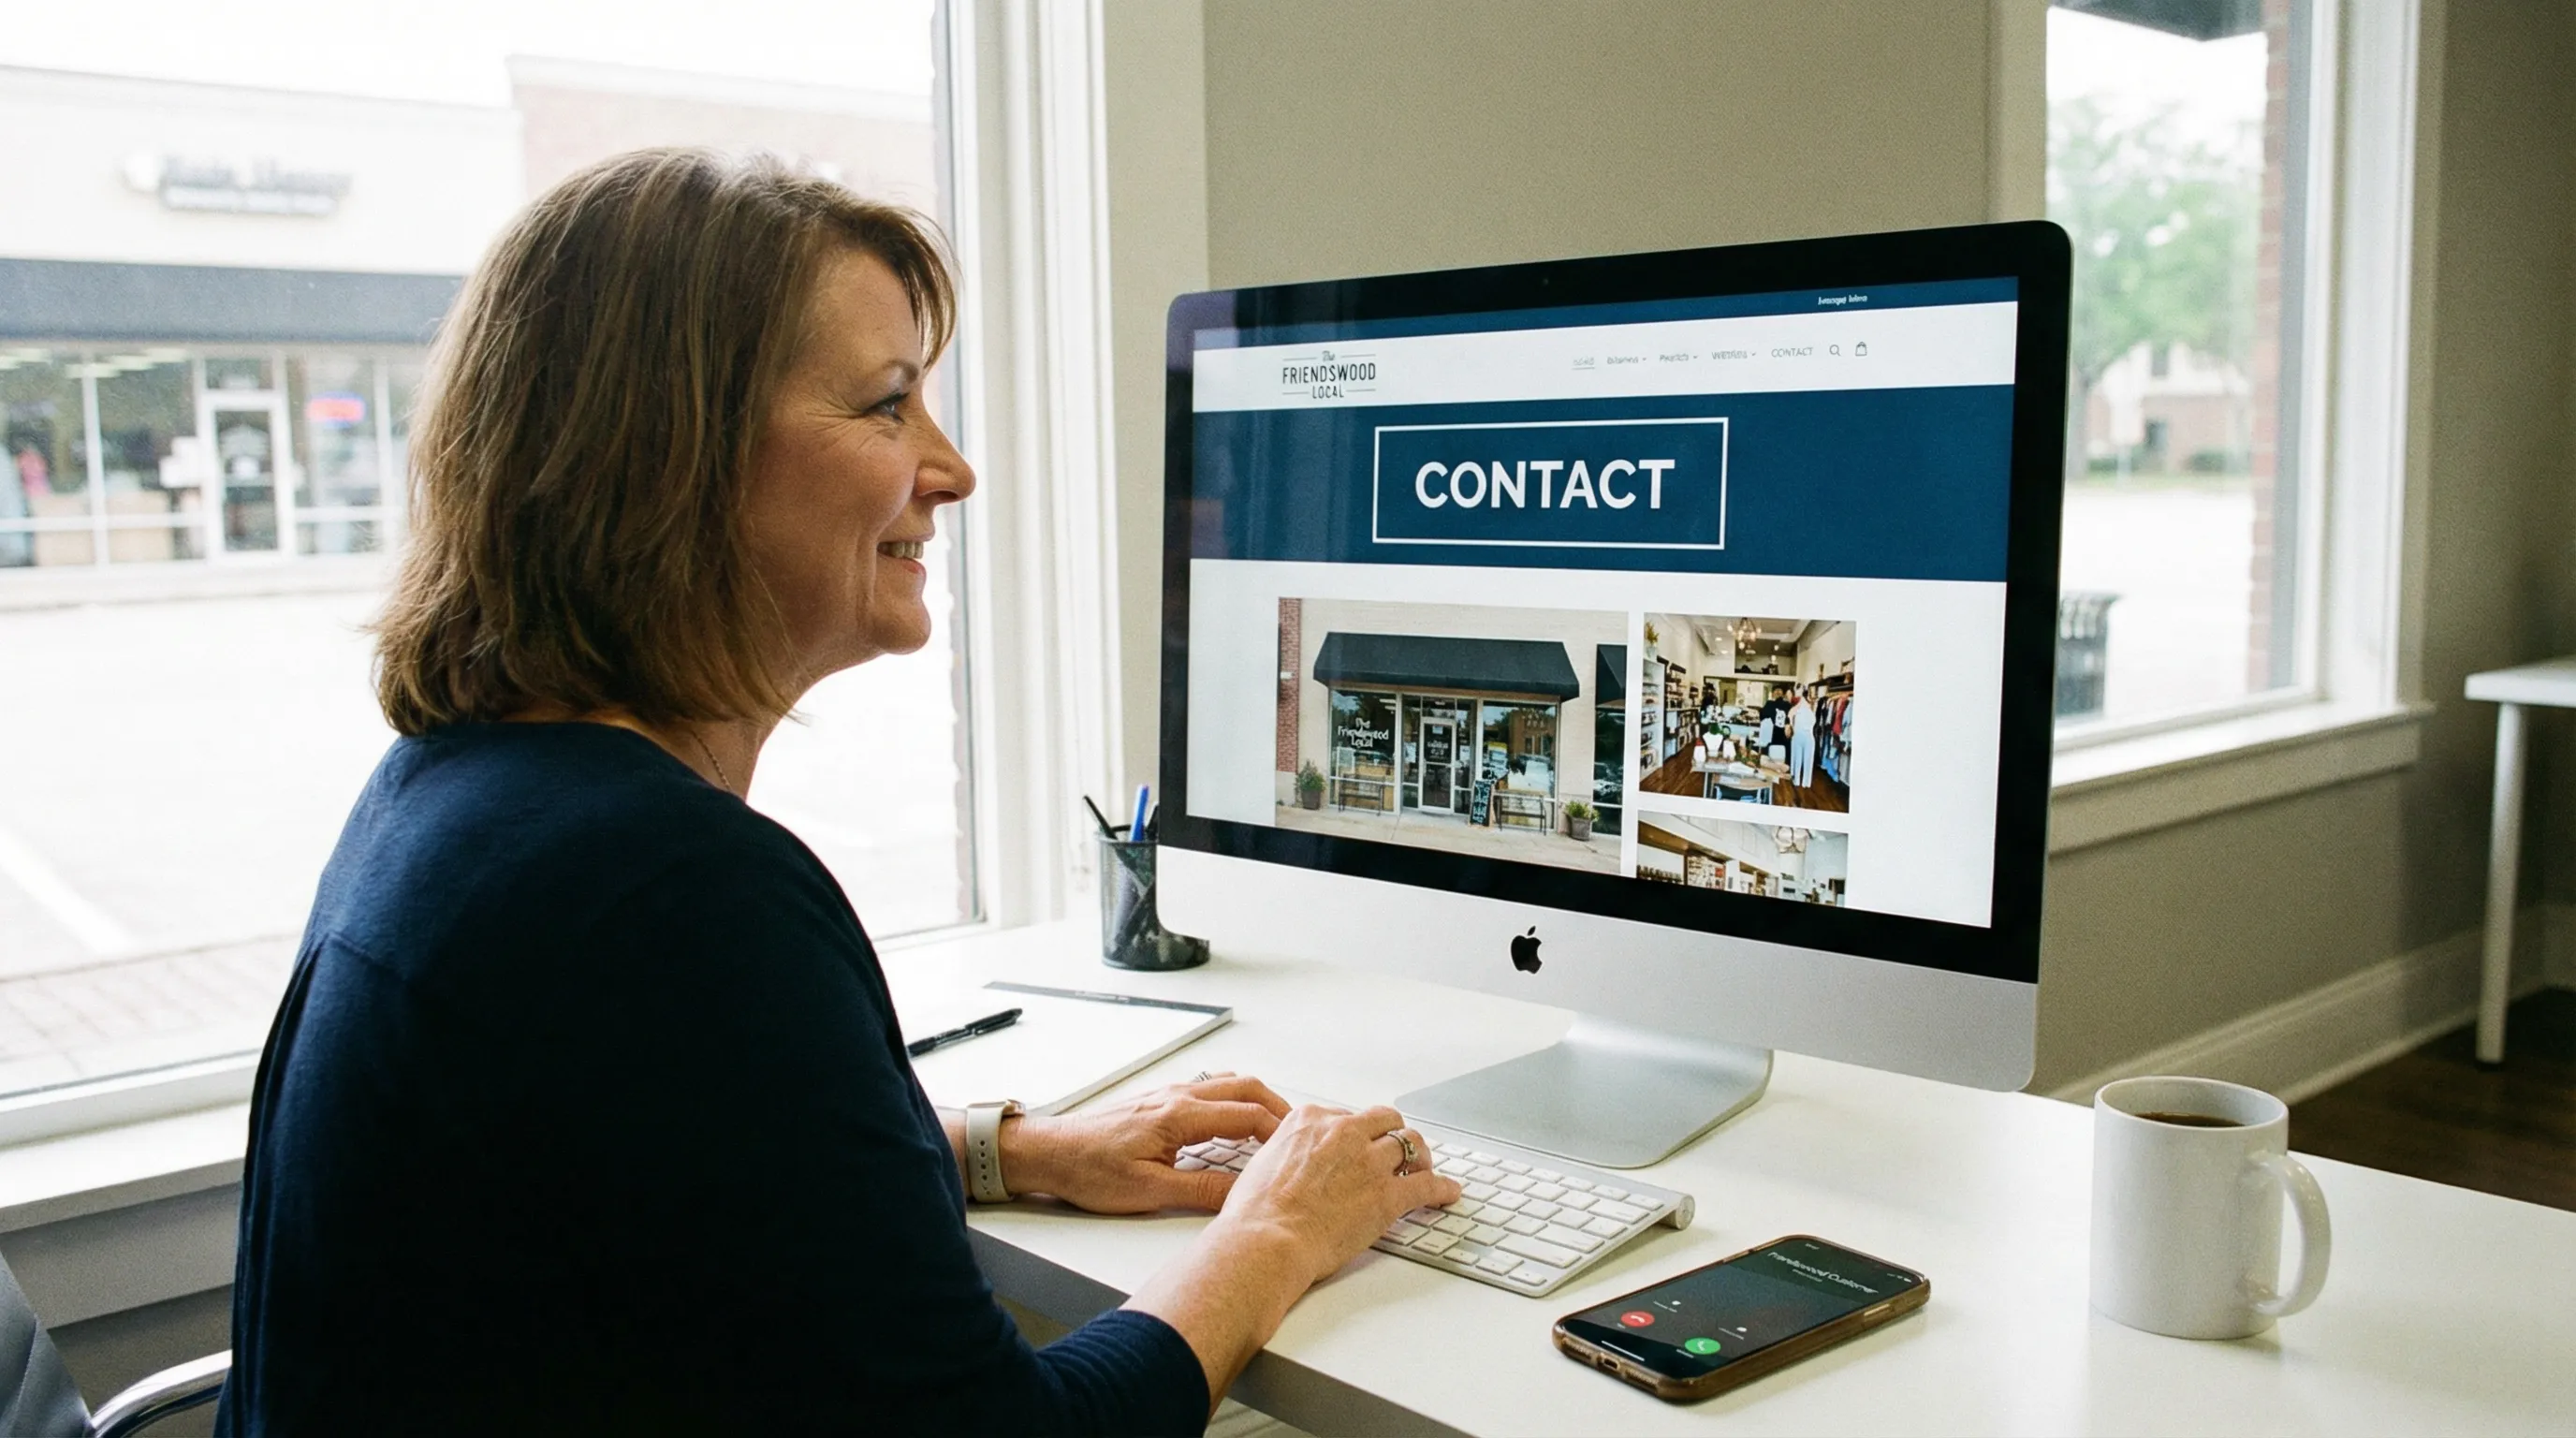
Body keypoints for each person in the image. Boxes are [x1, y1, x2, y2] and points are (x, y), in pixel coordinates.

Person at [217, 149, 1459, 1437]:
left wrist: (1009, 1151)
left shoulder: (467, 795)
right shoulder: (669, 892)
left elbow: (691, 1154)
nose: (952, 469)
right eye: (886, 406)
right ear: (670, 461)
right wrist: (1278, 1230)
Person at [1789, 686, 1819, 787]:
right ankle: (1796, 780)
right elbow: (1790, 715)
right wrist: (1792, 726)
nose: (1813, 696)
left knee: (1808, 760)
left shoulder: (1813, 706)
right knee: (1797, 760)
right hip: (1798, 735)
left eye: (1814, 693)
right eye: (1811, 693)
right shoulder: (1798, 704)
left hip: (1809, 736)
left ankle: (1806, 782)